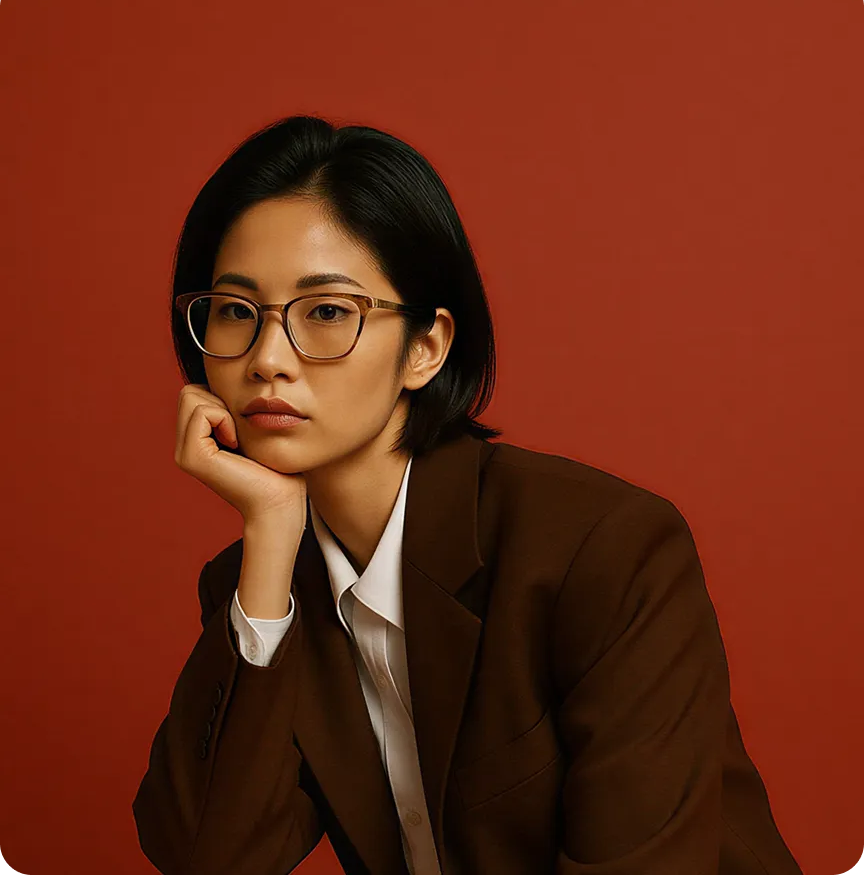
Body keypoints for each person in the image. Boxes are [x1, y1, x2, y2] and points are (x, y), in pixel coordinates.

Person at [132, 114, 802, 875]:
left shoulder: (602, 551)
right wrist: (269, 537)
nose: (267, 359)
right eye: (235, 312)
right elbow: (208, 858)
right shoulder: (265, 588)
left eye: (327, 312)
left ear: (426, 347)